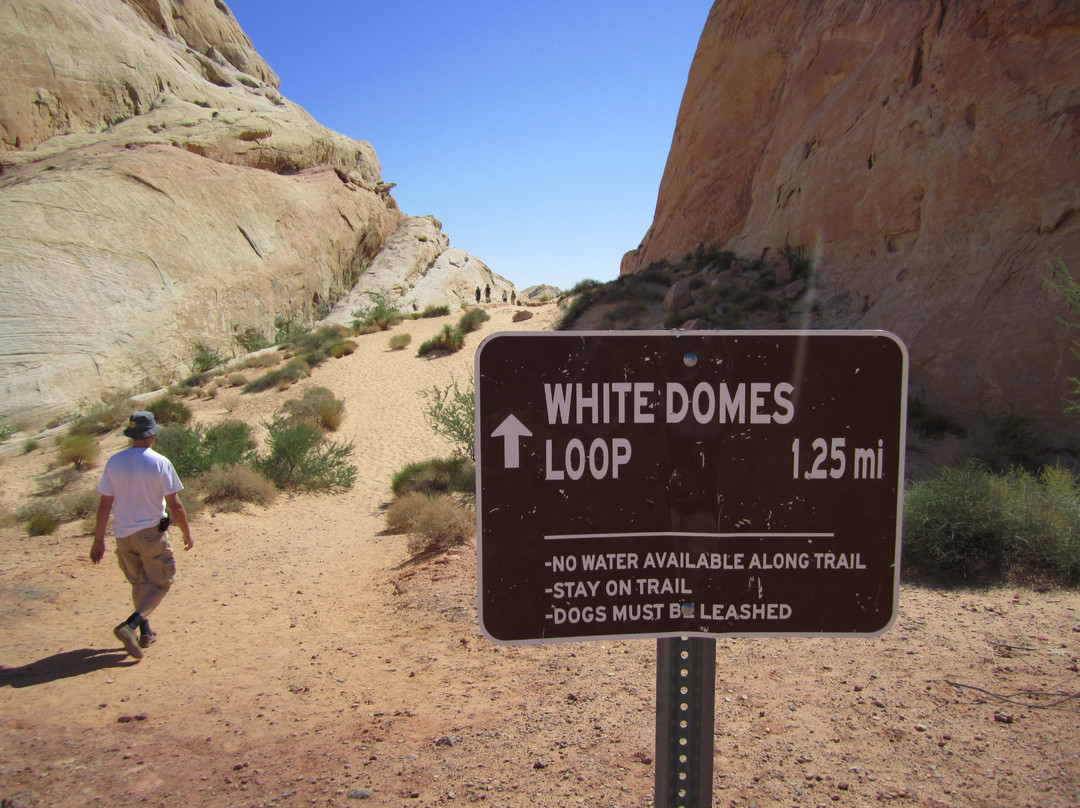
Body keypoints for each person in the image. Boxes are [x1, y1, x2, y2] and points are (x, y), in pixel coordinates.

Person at [91, 411, 193, 659]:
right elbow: (175, 504)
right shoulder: (159, 462)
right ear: (153, 435)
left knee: (139, 583)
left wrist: (98, 541)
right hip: (150, 534)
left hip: (123, 535)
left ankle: (145, 632)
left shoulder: (114, 461)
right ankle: (131, 625)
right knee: (162, 582)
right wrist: (187, 532)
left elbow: (105, 505)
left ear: (131, 435)